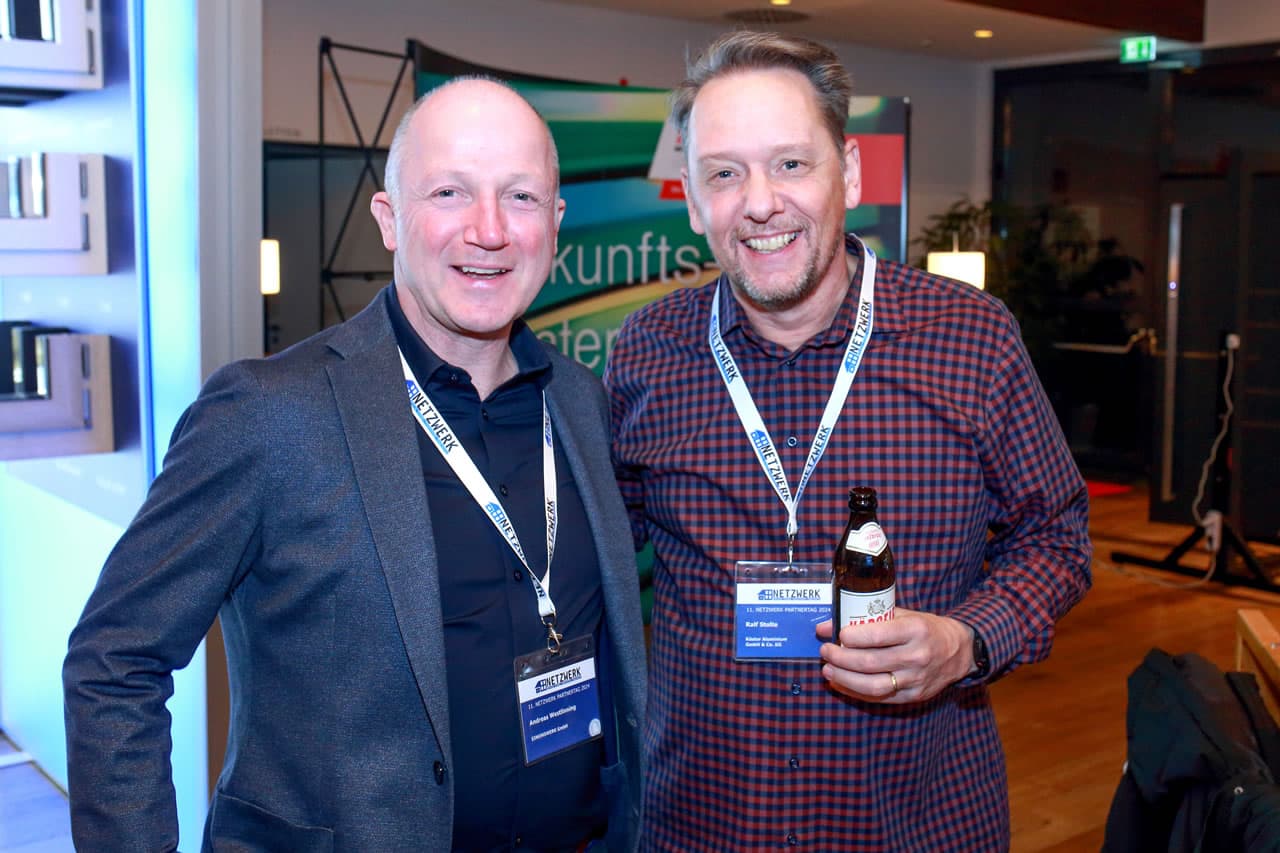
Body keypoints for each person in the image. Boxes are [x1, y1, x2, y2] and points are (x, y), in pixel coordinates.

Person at [63, 77, 646, 852]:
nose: (489, 230)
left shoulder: (581, 402)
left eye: (520, 197)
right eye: (449, 192)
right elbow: (114, 661)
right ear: (389, 218)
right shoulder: (268, 413)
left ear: (556, 221)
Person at [604, 31, 1092, 850]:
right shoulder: (648, 353)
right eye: (724, 173)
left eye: (791, 163)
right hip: (705, 820)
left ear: (852, 173)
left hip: (915, 820)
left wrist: (968, 638)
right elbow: (591, 555)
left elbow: (1057, 535)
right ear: (691, 201)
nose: (760, 202)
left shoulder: (971, 340)